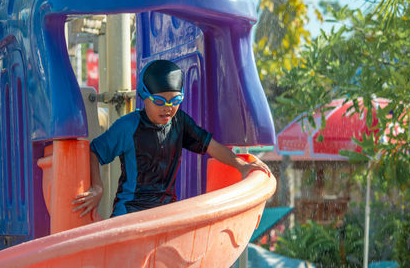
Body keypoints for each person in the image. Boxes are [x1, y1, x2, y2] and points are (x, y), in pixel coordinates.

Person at [72, 59, 270, 217]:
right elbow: (94, 151)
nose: (168, 107)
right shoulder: (128, 126)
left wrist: (242, 166)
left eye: (175, 101)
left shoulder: (180, 122)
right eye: (159, 101)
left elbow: (211, 146)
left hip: (165, 212)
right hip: (130, 213)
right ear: (143, 95)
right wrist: (98, 187)